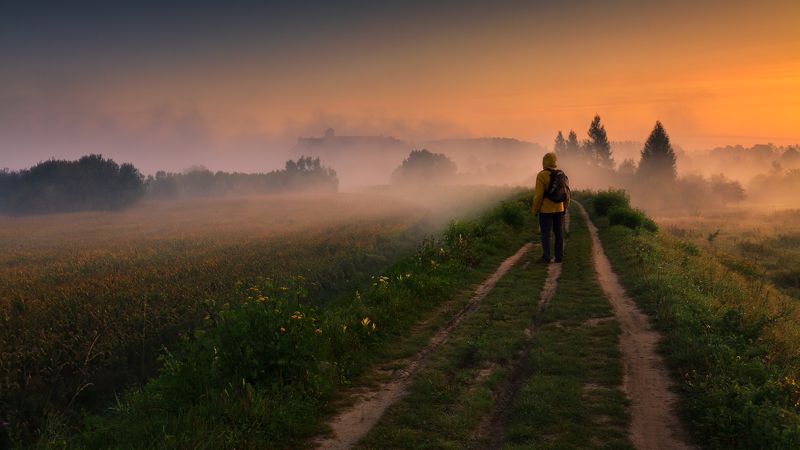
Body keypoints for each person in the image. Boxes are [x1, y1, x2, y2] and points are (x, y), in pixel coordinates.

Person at [531, 152, 570, 263]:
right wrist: (565, 207)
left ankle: (546, 257)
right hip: (559, 209)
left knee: (545, 233)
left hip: (546, 210)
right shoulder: (561, 174)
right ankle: (559, 257)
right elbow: (567, 193)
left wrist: (535, 210)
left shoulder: (541, 175)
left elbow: (538, 195)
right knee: (558, 233)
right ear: (555, 162)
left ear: (544, 162)